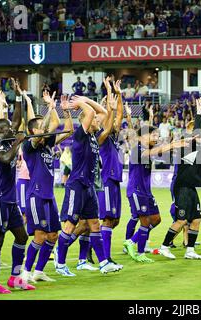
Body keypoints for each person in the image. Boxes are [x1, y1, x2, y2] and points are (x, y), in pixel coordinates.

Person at [56, 95, 121, 275]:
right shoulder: (81, 135)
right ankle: (60, 263)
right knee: (69, 226)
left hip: (89, 186)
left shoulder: (94, 138)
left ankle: (103, 263)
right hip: (76, 185)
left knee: (94, 224)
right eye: (95, 120)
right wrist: (80, 102)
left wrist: (111, 108)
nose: (98, 121)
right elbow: (92, 112)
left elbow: (105, 118)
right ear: (87, 121)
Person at [21, 91, 74, 282]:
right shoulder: (30, 144)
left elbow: (68, 130)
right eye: (40, 126)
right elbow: (44, 130)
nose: (45, 129)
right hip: (36, 195)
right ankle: (26, 272)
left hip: (49, 196)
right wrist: (49, 109)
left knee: (53, 235)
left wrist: (62, 110)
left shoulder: (47, 145)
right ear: (34, 130)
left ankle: (39, 271)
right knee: (40, 235)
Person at [0, 78, 34, 293]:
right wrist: (18, 141)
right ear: (0, 131)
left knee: (22, 236)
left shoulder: (7, 139)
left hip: (11, 200)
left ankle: (15, 277)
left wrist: (17, 96)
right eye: (8, 128)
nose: (12, 128)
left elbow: (16, 120)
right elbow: (6, 159)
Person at [158, 98, 201, 260]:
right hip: (181, 186)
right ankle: (164, 247)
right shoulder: (186, 144)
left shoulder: (199, 146)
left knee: (196, 218)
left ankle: (190, 250)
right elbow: (200, 131)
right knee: (181, 220)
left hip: (191, 187)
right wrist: (198, 112)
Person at [123, 126, 188, 263]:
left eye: (157, 136)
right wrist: (171, 145)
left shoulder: (148, 149)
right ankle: (140, 252)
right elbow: (150, 153)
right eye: (153, 135)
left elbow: (157, 152)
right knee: (144, 222)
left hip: (147, 192)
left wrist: (177, 145)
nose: (156, 138)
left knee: (156, 219)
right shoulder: (137, 148)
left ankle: (132, 241)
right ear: (142, 137)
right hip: (136, 191)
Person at [96, 78, 125, 268]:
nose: (115, 122)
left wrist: (119, 94)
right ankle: (104, 258)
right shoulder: (100, 136)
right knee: (106, 220)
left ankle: (96, 248)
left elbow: (119, 117)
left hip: (114, 180)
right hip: (105, 180)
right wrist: (108, 95)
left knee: (114, 220)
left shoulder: (113, 136)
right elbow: (109, 119)